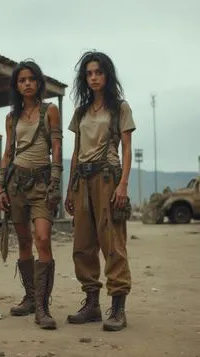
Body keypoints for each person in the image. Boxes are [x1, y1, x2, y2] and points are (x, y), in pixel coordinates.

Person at [64, 51, 135, 332]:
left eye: (99, 72)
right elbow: (75, 151)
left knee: (112, 244)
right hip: (82, 179)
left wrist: (123, 184)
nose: (93, 78)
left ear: (107, 76)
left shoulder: (119, 108)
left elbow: (127, 148)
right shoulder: (81, 111)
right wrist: (69, 188)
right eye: (89, 73)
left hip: (108, 177)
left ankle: (118, 308)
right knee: (82, 244)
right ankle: (91, 303)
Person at [0, 59, 63, 330]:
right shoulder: (12, 118)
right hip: (16, 184)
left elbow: (56, 147)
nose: (27, 84)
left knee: (43, 239)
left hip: (42, 183)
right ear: (16, 85)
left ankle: (43, 308)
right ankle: (30, 298)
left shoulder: (51, 111)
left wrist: (56, 181)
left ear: (39, 82)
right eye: (22, 80)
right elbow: (8, 152)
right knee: (24, 242)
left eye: (31, 79)